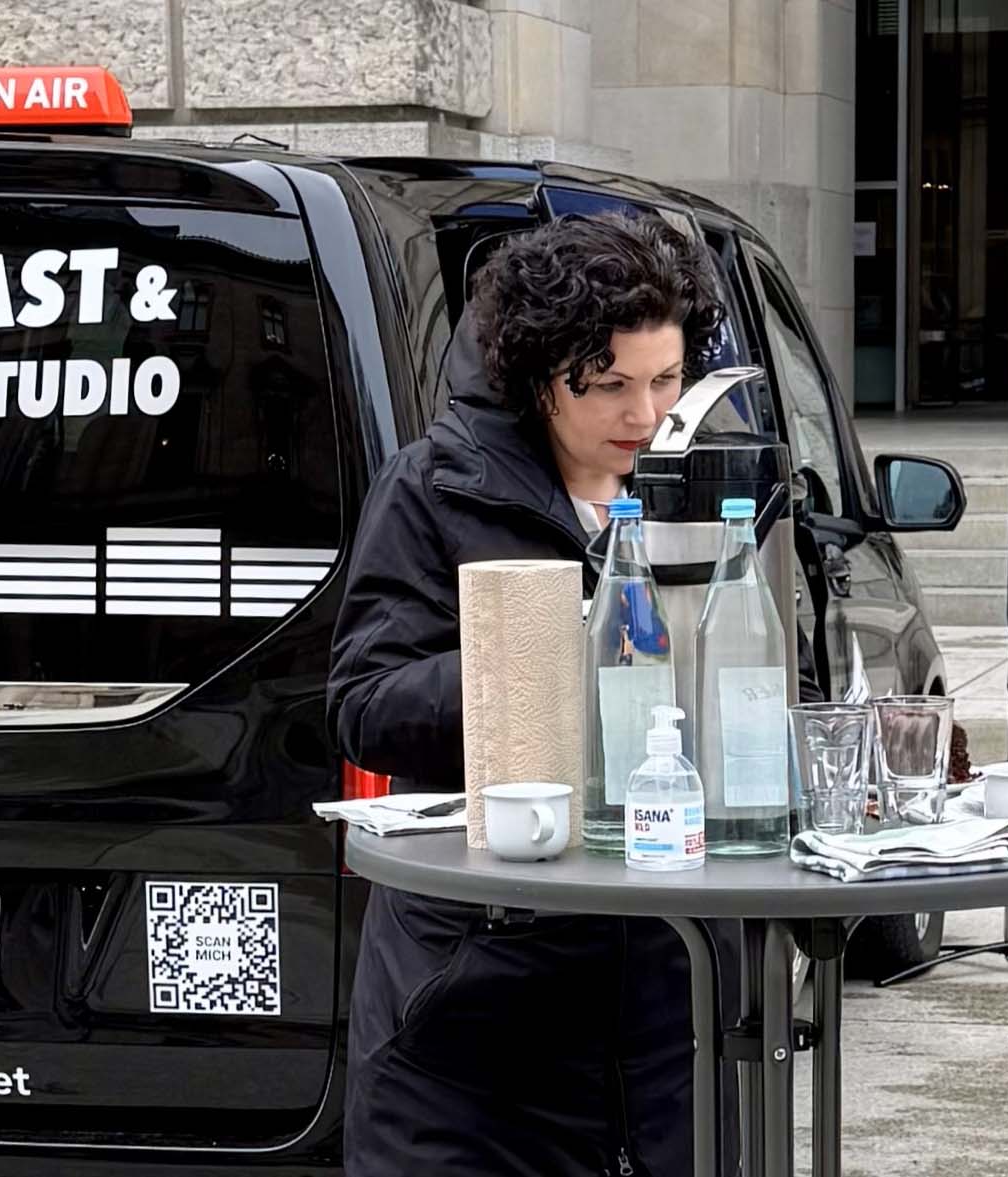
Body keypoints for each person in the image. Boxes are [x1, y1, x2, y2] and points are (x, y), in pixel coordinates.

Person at [327, 212, 819, 1176]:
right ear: (538, 378)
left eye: (668, 380)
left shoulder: (713, 490)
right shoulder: (437, 488)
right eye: (610, 386)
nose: (646, 413)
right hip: (480, 1004)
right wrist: (551, 650)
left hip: (674, 998)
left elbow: (780, 694)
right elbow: (365, 701)